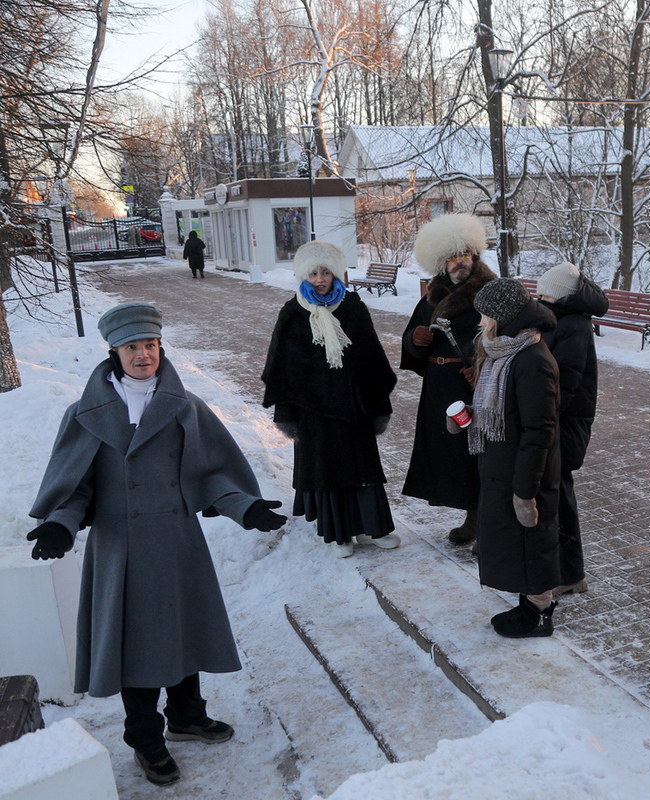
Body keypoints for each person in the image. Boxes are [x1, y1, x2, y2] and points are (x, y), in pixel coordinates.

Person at [26, 302, 287, 787]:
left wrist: (244, 506)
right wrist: (61, 523)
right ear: (114, 352)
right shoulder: (86, 414)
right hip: (119, 548)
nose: (143, 355)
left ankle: (187, 715)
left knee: (184, 632)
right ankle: (145, 738)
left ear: (159, 346)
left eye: (150, 345)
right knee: (137, 648)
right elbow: (76, 486)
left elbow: (212, 473)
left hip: (177, 539)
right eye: (132, 347)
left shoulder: (187, 407)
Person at [261, 240, 399, 557]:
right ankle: (340, 536)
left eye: (326, 272)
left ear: (336, 274)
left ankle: (372, 529)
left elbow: (372, 356)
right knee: (329, 471)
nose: (320, 279)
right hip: (314, 410)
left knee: (363, 469)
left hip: (354, 405)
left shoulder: (353, 307)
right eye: (314, 274)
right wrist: (288, 411)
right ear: (304, 277)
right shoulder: (293, 312)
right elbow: (281, 364)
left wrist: (377, 402)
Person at [448, 278, 562, 637]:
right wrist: (466, 415)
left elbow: (539, 431)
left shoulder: (531, 360)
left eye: (484, 316)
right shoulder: (505, 352)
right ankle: (527, 607)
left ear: (501, 316)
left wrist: (525, 492)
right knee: (517, 540)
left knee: (532, 541)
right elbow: (500, 410)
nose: (480, 323)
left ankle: (539, 614)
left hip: (525, 471)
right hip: (504, 462)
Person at [401, 213, 497, 544]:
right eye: (452, 258)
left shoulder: (491, 293)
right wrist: (415, 339)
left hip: (475, 386)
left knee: (478, 454)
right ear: (444, 263)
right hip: (441, 388)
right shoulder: (433, 297)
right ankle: (472, 513)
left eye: (464, 255)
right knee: (451, 455)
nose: (460, 263)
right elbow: (409, 338)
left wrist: (483, 368)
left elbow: (507, 340)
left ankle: (485, 521)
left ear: (474, 256)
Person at [535, 261, 609, 596]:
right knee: (557, 494)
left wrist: (540, 417)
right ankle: (566, 571)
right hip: (557, 422)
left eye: (545, 295)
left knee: (560, 497)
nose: (540, 300)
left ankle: (569, 574)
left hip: (564, 425)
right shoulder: (562, 320)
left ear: (560, 297)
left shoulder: (574, 326)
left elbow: (564, 382)